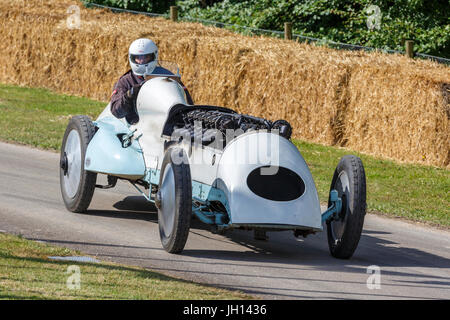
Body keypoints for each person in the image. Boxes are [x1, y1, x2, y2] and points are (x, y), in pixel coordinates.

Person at [110, 38, 192, 125]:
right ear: (131, 58)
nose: (141, 61)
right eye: (138, 58)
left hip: (165, 123)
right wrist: (129, 95)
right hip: (137, 127)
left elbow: (188, 104)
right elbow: (116, 112)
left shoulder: (168, 76)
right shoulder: (126, 81)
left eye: (146, 57)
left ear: (154, 56)